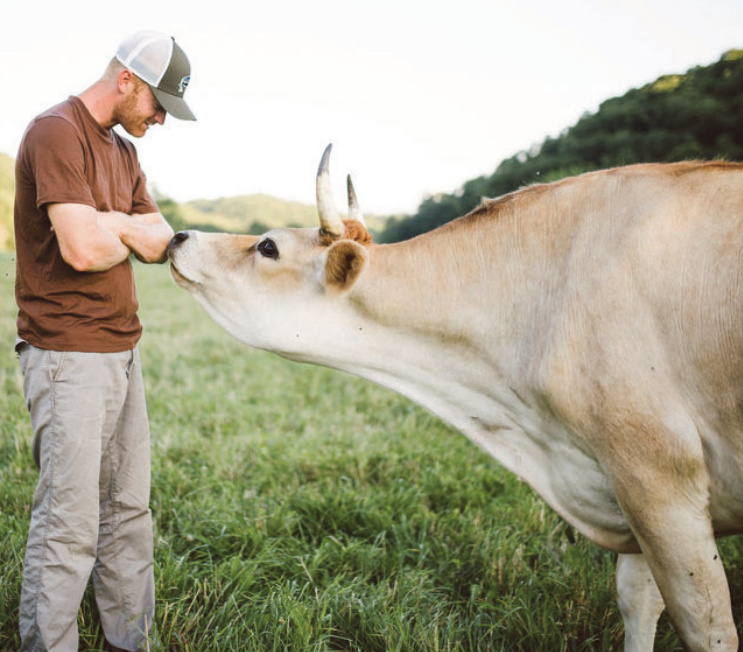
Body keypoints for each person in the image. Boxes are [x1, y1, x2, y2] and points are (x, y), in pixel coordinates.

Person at [14, 30, 196, 651]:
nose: (162, 119)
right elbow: (84, 248)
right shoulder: (55, 132)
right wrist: (118, 227)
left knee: (127, 512)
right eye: (159, 104)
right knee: (69, 523)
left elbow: (160, 239)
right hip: (67, 356)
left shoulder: (124, 153)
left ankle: (129, 641)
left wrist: (109, 221)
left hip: (122, 352)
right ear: (127, 82)